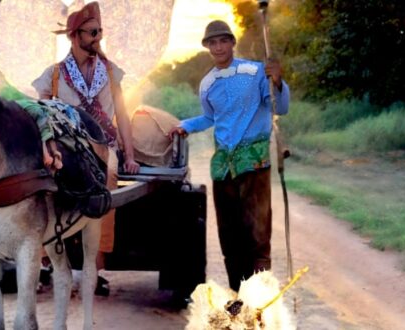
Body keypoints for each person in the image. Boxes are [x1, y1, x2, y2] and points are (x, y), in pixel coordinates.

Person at [169, 20, 290, 291]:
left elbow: (279, 107)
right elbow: (210, 118)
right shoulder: (207, 83)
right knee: (230, 240)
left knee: (257, 237)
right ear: (207, 47)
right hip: (223, 169)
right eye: (213, 42)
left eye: (223, 40)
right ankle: (238, 298)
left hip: (254, 165)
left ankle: (258, 302)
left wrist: (278, 81)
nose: (218, 46)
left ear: (232, 42)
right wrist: (186, 125)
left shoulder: (257, 72)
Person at [32, 1, 140, 296]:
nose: (98, 37)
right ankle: (43, 262)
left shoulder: (110, 71)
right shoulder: (54, 74)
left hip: (104, 147)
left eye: (100, 32)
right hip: (67, 146)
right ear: (74, 35)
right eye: (93, 32)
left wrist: (129, 155)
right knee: (44, 184)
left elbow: (122, 114)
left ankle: (97, 268)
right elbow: (41, 112)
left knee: (108, 182)